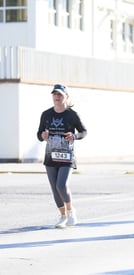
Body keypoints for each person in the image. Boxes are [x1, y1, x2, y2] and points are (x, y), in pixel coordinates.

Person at [36, 84, 87, 228]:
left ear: (66, 97)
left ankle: (70, 210)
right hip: (50, 156)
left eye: (60, 95)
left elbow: (83, 131)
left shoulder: (72, 114)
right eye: (54, 94)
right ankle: (62, 215)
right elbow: (39, 134)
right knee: (54, 188)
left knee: (61, 185)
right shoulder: (46, 114)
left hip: (66, 156)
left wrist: (74, 136)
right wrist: (42, 135)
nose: (57, 97)